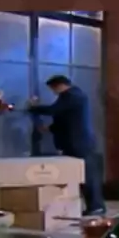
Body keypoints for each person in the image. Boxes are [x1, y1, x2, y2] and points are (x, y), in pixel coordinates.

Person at [28, 75, 106, 216]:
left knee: (87, 175)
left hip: (81, 143)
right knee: (81, 175)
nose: (53, 92)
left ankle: (96, 207)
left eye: (53, 89)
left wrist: (33, 108)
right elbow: (64, 119)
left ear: (59, 85)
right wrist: (49, 128)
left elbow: (54, 110)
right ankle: (92, 206)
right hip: (76, 142)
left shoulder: (72, 95)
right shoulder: (71, 96)